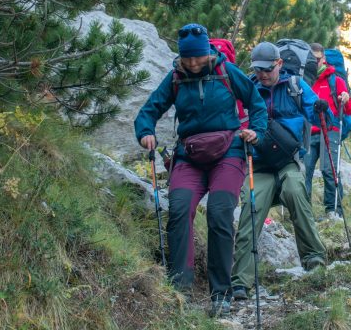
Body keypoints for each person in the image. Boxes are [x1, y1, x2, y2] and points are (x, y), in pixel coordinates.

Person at [134, 24, 267, 317]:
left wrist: (256, 131)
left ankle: (221, 292)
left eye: (197, 58)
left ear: (208, 52)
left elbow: (257, 103)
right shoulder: (176, 78)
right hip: (189, 156)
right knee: (179, 208)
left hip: (229, 152)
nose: (193, 64)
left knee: (220, 212)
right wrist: (145, 132)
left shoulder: (226, 71)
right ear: (181, 58)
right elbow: (149, 110)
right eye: (187, 59)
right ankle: (178, 287)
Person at [231, 42, 332, 300]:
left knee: (296, 191)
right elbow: (234, 122)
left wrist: (322, 110)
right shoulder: (249, 90)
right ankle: (240, 280)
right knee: (251, 209)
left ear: (278, 64)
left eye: (267, 69)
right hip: (259, 165)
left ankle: (314, 259)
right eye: (258, 69)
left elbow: (322, 116)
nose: (263, 74)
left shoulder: (295, 86)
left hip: (288, 161)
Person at [304, 43, 351, 219]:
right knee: (304, 172)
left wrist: (345, 99)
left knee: (328, 169)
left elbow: (349, 110)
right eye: (312, 59)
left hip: (331, 130)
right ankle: (304, 212)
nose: (315, 62)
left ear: (323, 59)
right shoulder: (305, 81)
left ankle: (334, 211)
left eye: (317, 59)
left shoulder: (335, 80)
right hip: (309, 132)